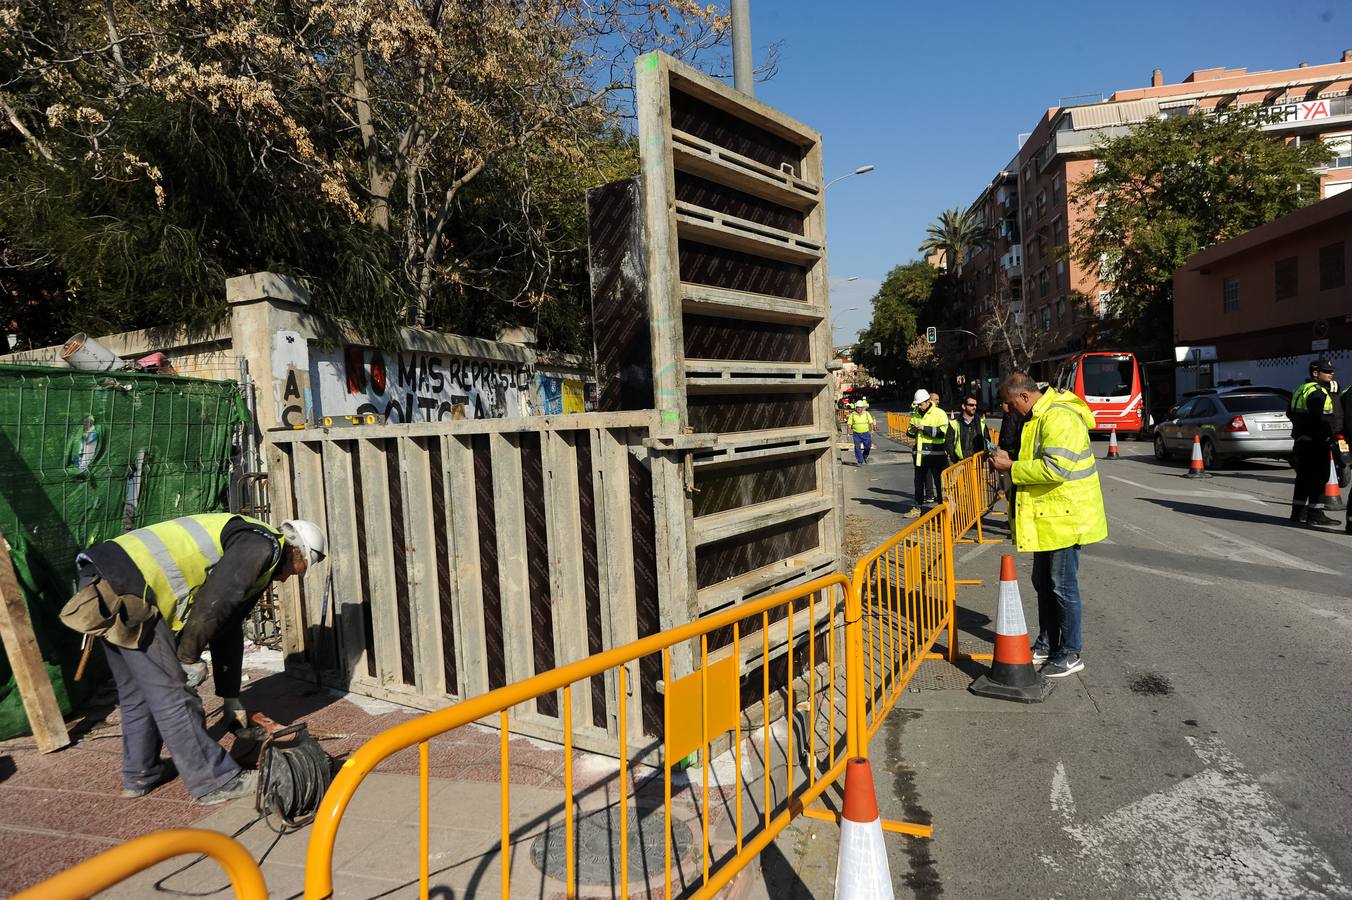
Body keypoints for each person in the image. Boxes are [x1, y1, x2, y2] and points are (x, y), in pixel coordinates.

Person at [63, 514, 326, 804]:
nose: (292, 576)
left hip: (104, 575)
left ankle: (141, 773)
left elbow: (227, 626)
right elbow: (214, 603)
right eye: (300, 568)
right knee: (174, 693)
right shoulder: (263, 545)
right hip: (131, 587)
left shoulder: (255, 546)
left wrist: (230, 696)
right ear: (296, 550)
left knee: (136, 690)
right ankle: (213, 780)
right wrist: (187, 657)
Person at [989, 373, 1106, 678]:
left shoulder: (1058, 417)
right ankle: (1047, 644)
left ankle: (1070, 652)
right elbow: (1036, 459)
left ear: (1025, 396)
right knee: (1043, 582)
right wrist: (1010, 459)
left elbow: (1055, 468)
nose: (1009, 410)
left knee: (1062, 586)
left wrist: (1011, 467)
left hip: (1065, 519)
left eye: (1012, 404)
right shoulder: (1038, 417)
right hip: (1048, 518)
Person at [1288, 358, 1338, 527]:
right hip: (1316, 442)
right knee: (1319, 478)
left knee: (1303, 477)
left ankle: (1298, 512)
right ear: (1316, 373)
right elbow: (1318, 419)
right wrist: (1323, 435)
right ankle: (1315, 514)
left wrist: (1301, 431)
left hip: (1301, 441)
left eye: (1331, 371)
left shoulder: (1301, 389)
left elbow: (1290, 413)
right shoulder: (1318, 392)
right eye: (1327, 371)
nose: (1331, 374)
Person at [905, 389, 950, 518]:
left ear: (927, 401)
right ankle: (917, 508)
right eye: (918, 404)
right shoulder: (916, 414)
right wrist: (913, 430)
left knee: (940, 484)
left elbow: (943, 432)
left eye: (921, 404)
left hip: (936, 455)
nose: (919, 406)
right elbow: (909, 433)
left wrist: (924, 428)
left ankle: (943, 509)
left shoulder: (939, 413)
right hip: (920, 457)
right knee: (918, 484)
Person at [948, 393, 988, 463]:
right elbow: (949, 443)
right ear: (963, 406)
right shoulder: (954, 423)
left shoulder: (981, 423)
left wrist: (984, 458)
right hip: (961, 463)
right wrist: (954, 459)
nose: (974, 407)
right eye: (971, 405)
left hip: (978, 462)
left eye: (975, 405)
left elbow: (987, 441)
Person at [846, 400, 876, 465]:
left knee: (868, 446)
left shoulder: (866, 414)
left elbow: (871, 423)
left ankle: (865, 456)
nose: (859, 408)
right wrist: (848, 434)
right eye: (857, 407)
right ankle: (860, 461)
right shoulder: (853, 415)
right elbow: (849, 425)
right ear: (856, 408)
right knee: (857, 447)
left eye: (860, 407)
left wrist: (872, 430)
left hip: (866, 433)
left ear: (862, 408)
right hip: (856, 434)